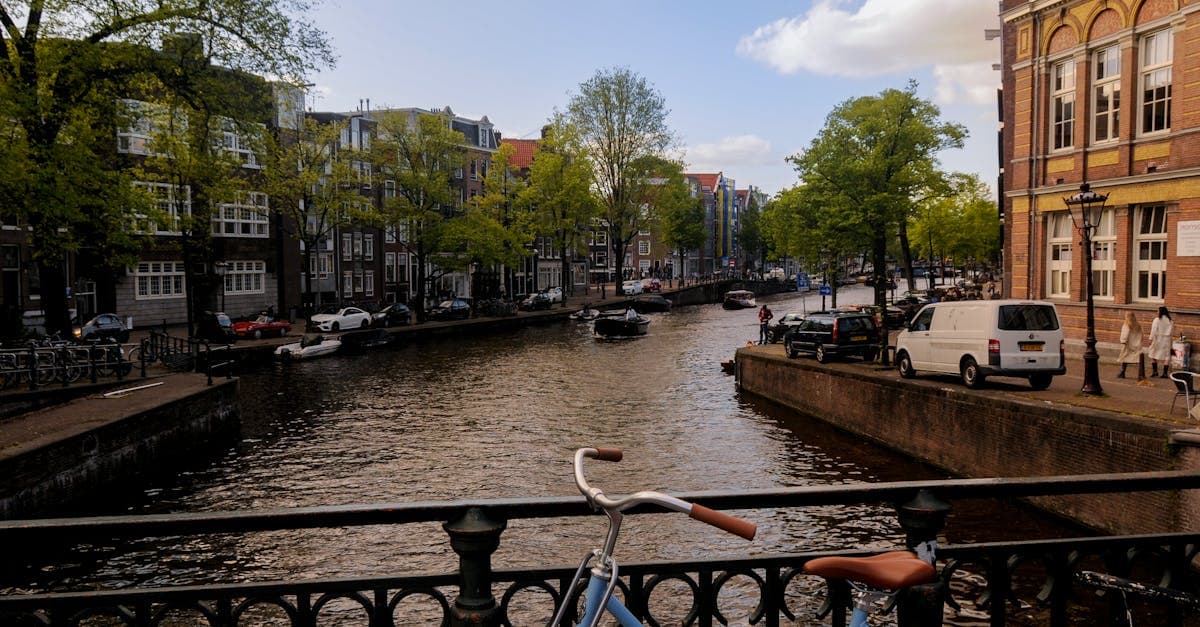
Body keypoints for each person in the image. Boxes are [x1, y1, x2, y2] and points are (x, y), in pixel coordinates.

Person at [1116, 311, 1143, 379]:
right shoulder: (1138, 325)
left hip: (1128, 344)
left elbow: (1125, 333)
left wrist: (1123, 341)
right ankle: (1140, 374)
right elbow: (1142, 334)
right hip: (1136, 344)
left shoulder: (1126, 324)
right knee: (1137, 359)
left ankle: (1123, 372)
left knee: (1125, 358)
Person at [1149, 306, 1174, 378]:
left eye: (1158, 311)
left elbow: (1153, 330)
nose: (1157, 312)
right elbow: (1172, 332)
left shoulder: (1157, 320)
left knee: (1153, 354)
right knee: (1167, 356)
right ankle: (1165, 373)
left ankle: (1155, 372)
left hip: (1158, 339)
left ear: (1161, 312)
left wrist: (1150, 339)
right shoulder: (1170, 321)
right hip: (1167, 339)